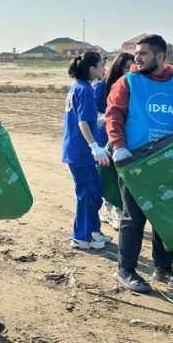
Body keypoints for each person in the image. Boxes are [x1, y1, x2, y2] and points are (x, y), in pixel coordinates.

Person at [106, 34, 173, 293]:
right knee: (133, 219)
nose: (136, 58)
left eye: (143, 54)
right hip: (135, 162)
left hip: (170, 162)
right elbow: (113, 116)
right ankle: (125, 269)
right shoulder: (127, 82)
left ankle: (163, 268)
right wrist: (118, 147)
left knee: (166, 215)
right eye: (136, 53)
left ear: (160, 57)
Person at [62, 50, 112, 250]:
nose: (104, 69)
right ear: (92, 69)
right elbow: (83, 122)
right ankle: (81, 237)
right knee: (86, 194)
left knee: (95, 192)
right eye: (102, 65)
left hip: (80, 150)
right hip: (80, 151)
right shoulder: (85, 91)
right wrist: (94, 147)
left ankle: (93, 230)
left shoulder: (80, 87)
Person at [93, 53, 134, 230]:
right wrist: (107, 118)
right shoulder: (102, 86)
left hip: (126, 138)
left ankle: (113, 209)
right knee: (108, 177)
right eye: (127, 67)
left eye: (133, 67)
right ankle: (113, 210)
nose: (130, 70)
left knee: (122, 176)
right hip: (105, 138)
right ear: (118, 66)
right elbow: (91, 112)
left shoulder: (134, 86)